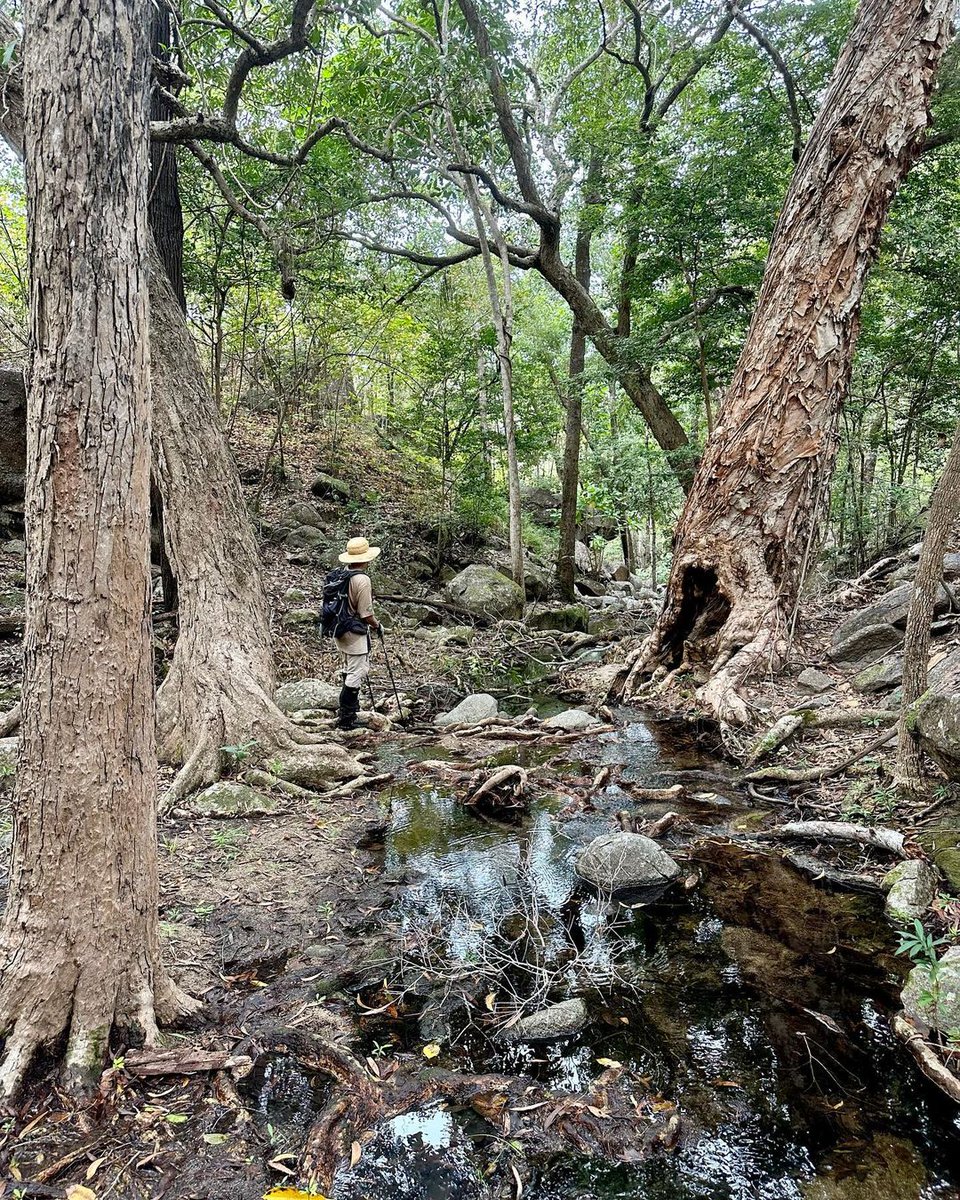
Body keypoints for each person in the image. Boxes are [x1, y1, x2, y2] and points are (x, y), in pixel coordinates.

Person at [334, 536, 381, 730]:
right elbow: (366, 613)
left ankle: (350, 710)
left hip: (339, 630)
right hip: (354, 632)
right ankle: (347, 717)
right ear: (365, 559)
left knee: (348, 668)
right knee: (357, 671)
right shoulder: (362, 580)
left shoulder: (340, 575)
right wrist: (377, 626)